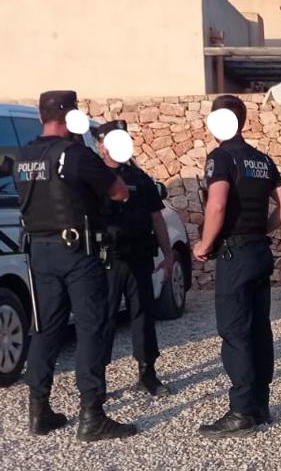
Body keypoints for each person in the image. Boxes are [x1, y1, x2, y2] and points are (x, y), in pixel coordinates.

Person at [14, 90, 137, 442]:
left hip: (40, 251)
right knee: (91, 328)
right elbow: (118, 191)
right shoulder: (75, 155)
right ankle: (92, 416)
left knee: (45, 330)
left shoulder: (23, 156)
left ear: (42, 116)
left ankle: (39, 411)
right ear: (71, 117)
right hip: (78, 252)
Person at [193, 95, 281, 438]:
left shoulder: (221, 158)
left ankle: (240, 411)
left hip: (235, 255)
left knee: (235, 331)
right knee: (259, 329)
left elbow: (217, 206)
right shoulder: (261, 160)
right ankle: (259, 405)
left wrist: (204, 244)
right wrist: (262, 228)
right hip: (258, 251)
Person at [94, 120, 174, 397]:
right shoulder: (93, 176)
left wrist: (169, 254)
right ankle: (97, 381)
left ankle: (147, 373)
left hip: (139, 256)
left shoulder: (140, 177)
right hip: (107, 259)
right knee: (103, 318)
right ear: (101, 145)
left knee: (143, 315)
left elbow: (156, 217)